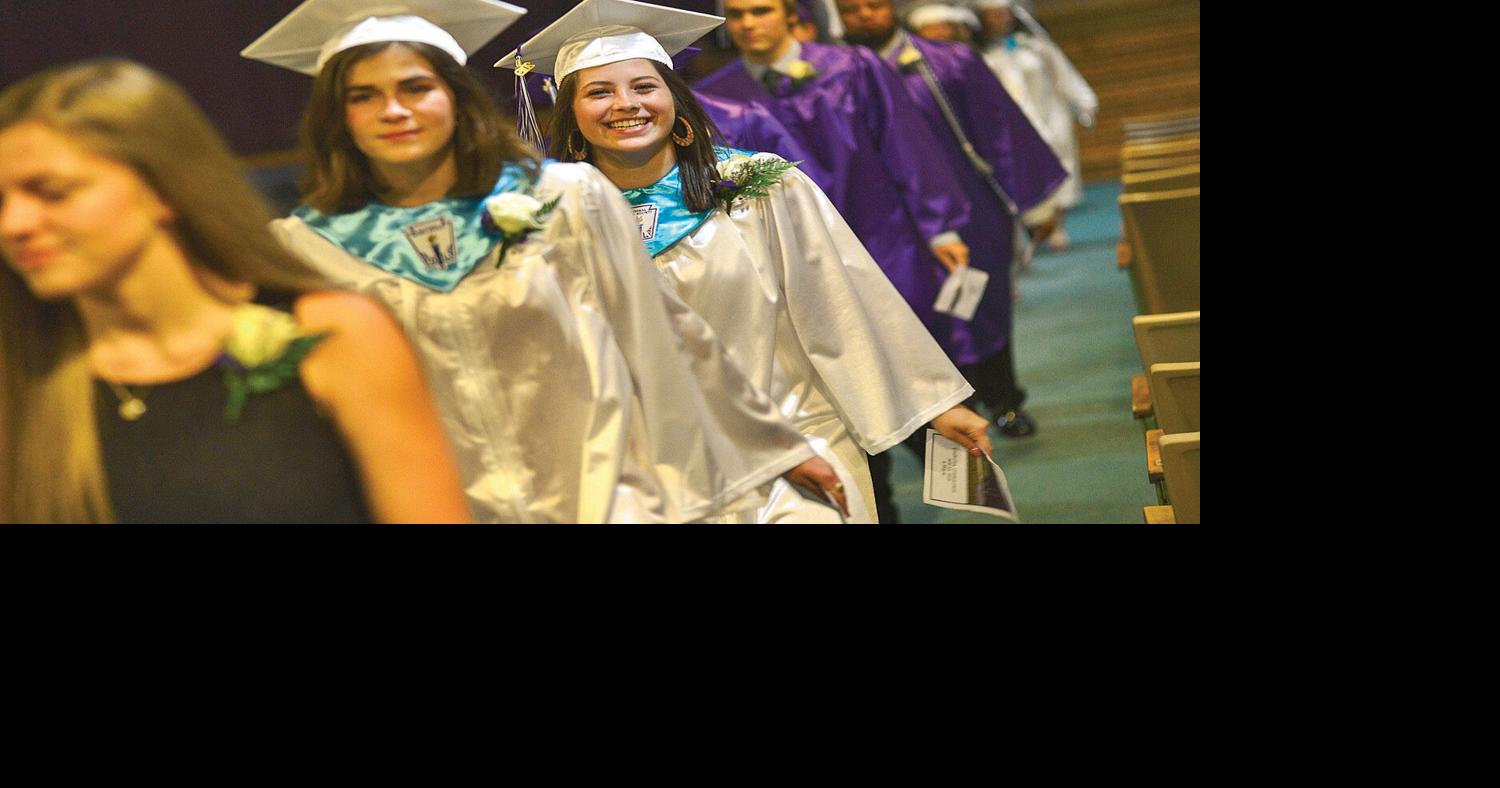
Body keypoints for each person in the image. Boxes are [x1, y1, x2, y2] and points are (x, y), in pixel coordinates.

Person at [244, 0, 822, 523]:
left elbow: (665, 334)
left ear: (455, 97)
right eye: (362, 96)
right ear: (336, 117)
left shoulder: (567, 197)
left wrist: (775, 448)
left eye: (416, 87)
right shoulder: (306, 248)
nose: (393, 110)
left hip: (606, 501)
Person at [505, 0, 992, 523]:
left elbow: (842, 301)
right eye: (599, 92)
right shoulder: (555, 224)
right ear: (572, 116)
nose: (626, 104)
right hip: (661, 474)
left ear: (674, 97)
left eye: (644, 87)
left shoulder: (757, 187)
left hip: (797, 440)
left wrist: (934, 404)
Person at [0, 59, 471, 524]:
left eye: (53, 192)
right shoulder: (24, 382)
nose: (14, 224)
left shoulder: (334, 337)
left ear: (163, 187)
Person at [838, 0, 1065, 451]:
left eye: (873, 4)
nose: (864, 15)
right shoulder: (835, 79)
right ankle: (950, 413)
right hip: (889, 226)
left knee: (984, 306)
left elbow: (999, 129)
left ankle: (1005, 399)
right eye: (850, 9)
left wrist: (1035, 202)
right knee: (918, 319)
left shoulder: (949, 62)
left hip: (968, 209)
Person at [972, 0, 1096, 250]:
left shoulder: (1035, 46)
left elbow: (1063, 73)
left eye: (1003, 14)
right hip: (1010, 125)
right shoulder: (978, 55)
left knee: (1057, 170)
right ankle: (1031, 229)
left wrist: (1084, 104)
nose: (1000, 19)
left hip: (1051, 115)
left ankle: (1057, 225)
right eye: (993, 15)